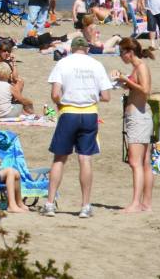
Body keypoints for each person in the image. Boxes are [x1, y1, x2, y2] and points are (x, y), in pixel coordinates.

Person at [42, 36, 112, 218]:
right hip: (90, 113)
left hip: (69, 112)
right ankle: (85, 205)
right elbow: (106, 96)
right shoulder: (96, 65)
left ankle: (49, 204)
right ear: (87, 49)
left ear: (72, 49)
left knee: (59, 158)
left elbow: (55, 93)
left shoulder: (63, 64)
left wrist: (60, 103)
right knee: (85, 158)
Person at [112, 37, 155, 213]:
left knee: (135, 162)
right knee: (144, 162)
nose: (120, 56)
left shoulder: (141, 67)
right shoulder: (137, 68)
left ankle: (137, 203)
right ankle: (146, 204)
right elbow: (135, 87)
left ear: (129, 53)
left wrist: (126, 80)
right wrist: (122, 80)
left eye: (121, 53)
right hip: (139, 117)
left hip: (139, 117)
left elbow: (145, 90)